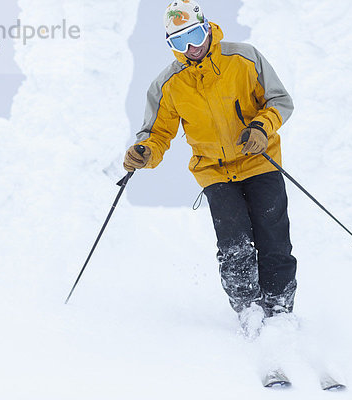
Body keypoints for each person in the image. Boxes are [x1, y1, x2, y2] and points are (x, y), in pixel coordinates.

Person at [124, 0, 297, 339]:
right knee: (235, 244)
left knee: (273, 239)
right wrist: (145, 153)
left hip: (260, 161)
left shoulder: (244, 58)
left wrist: (261, 129)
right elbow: (157, 134)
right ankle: (248, 309)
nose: (191, 48)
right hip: (215, 172)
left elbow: (279, 101)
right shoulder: (169, 84)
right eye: (178, 42)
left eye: (194, 35)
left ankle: (279, 308)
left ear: (207, 27)